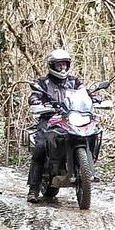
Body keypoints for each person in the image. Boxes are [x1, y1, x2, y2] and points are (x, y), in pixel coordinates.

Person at [26, 48, 82, 203]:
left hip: (71, 119)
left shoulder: (75, 82)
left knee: (88, 134)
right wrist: (38, 102)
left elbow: (86, 96)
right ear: (52, 65)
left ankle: (83, 173)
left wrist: (95, 101)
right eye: (59, 65)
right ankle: (33, 189)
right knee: (40, 148)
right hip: (49, 119)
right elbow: (34, 97)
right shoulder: (42, 83)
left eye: (65, 64)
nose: (62, 68)